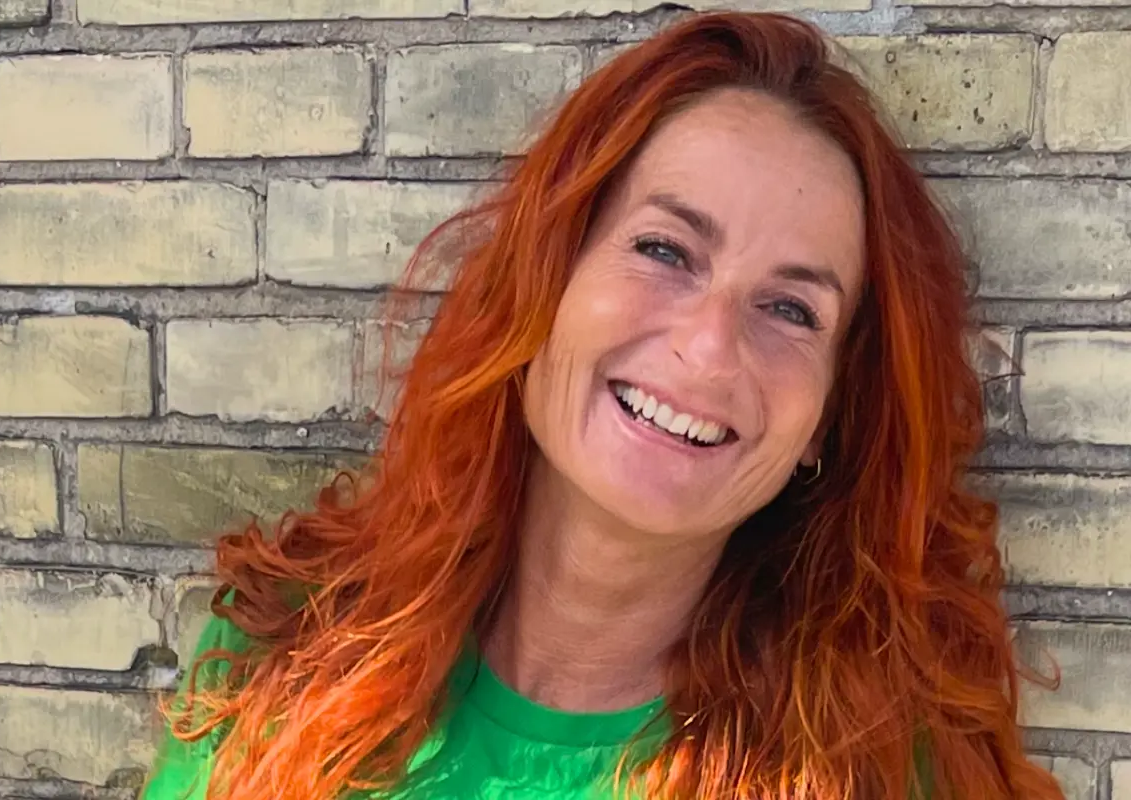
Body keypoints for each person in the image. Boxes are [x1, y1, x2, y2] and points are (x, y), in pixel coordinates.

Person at [141, 11, 1064, 800]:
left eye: (790, 309)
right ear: (544, 281)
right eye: (665, 250)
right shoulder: (287, 643)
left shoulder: (875, 765)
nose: (709, 349)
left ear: (827, 417)